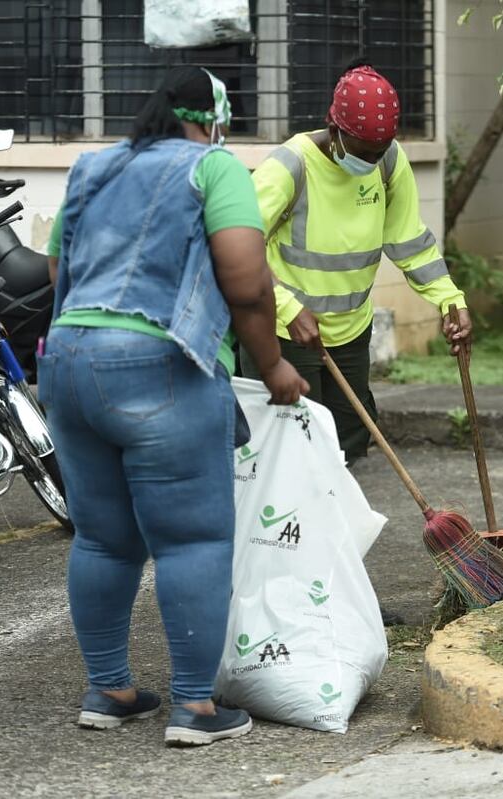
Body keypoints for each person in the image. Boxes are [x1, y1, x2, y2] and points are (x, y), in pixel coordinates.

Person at [39, 66, 308, 747]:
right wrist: (271, 364)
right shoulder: (214, 167)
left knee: (103, 536)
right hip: (161, 368)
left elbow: (56, 265)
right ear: (213, 119)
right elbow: (246, 279)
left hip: (69, 362)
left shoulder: (92, 167)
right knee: (192, 538)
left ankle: (111, 688)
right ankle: (194, 705)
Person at [242, 60, 473, 466]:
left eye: (379, 153)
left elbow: (410, 242)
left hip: (350, 332)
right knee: (289, 452)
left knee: (346, 446)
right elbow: (239, 247)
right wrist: (289, 308)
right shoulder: (289, 167)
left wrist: (449, 300)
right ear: (335, 132)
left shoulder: (387, 161)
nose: (370, 163)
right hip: (285, 333)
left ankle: (332, 528)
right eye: (364, 153)